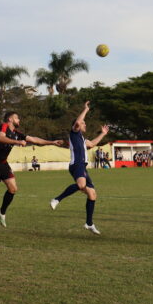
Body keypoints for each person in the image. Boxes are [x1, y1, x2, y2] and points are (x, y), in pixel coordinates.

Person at [0, 111, 61, 230]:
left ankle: (1, 212)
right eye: (17, 118)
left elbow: (34, 139)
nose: (19, 120)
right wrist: (17, 142)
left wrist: (51, 142)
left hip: (3, 164)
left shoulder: (16, 133)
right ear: (10, 119)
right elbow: (0, 138)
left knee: (13, 188)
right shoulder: (3, 126)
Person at [49, 101, 109, 235]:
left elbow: (92, 144)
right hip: (77, 165)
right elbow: (77, 123)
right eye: (83, 123)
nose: (84, 124)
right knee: (81, 185)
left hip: (83, 167)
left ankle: (89, 223)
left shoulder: (82, 139)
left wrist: (103, 133)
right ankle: (56, 199)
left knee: (92, 194)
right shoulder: (74, 133)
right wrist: (86, 109)